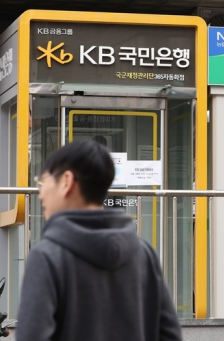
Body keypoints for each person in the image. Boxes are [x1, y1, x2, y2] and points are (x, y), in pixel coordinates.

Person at [16, 140, 181, 341]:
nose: (40, 193)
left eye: (43, 181)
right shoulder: (144, 253)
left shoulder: (47, 256)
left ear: (66, 181)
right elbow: (170, 335)